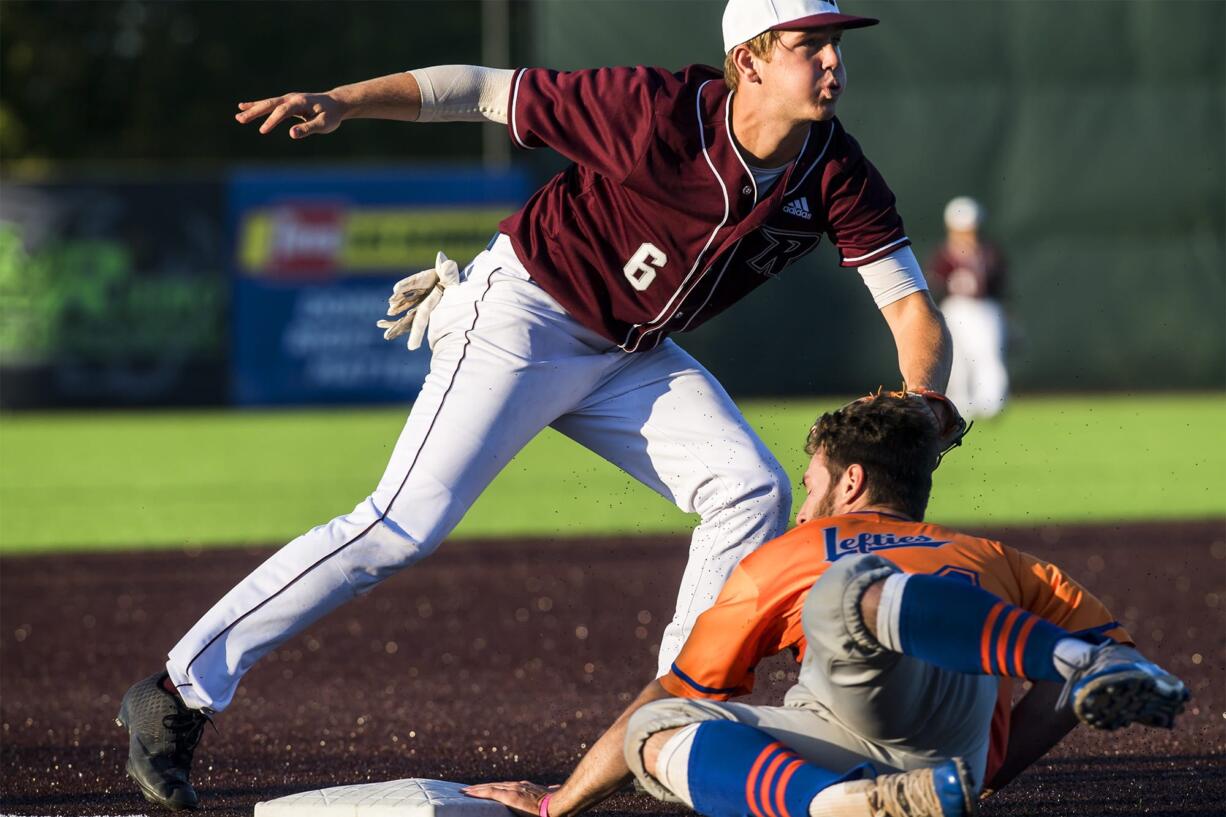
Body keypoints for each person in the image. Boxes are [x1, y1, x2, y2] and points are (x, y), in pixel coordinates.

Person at [116, 1, 959, 810]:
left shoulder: (833, 167)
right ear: (749, 61)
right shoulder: (654, 111)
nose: (831, 61)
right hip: (524, 317)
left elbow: (909, 305)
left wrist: (924, 396)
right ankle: (177, 689)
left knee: (751, 488)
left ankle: (668, 725)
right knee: (398, 525)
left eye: (833, 44)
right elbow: (483, 88)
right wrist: (342, 102)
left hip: (629, 352)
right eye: (808, 45)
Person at [464, 393, 1188, 817]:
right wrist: (990, 768)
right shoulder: (992, 556)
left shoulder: (790, 555)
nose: (804, 499)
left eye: (811, 482)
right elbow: (1102, 659)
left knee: (843, 592)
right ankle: (838, 804)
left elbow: (678, 682)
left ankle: (1066, 659)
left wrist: (563, 802)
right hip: (942, 756)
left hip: (870, 713)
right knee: (655, 731)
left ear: (850, 483)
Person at [927, 196, 1009, 419]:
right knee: (957, 358)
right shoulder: (944, 253)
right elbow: (935, 284)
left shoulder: (989, 252)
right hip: (954, 307)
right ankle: (959, 403)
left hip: (984, 307)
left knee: (987, 353)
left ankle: (991, 402)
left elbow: (1000, 284)